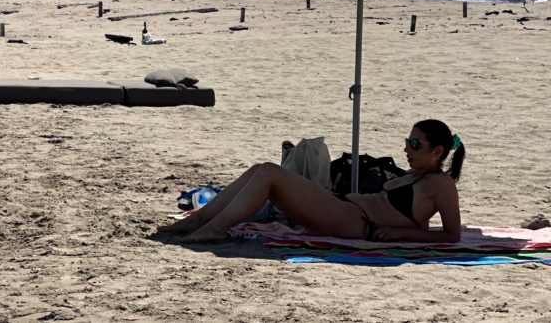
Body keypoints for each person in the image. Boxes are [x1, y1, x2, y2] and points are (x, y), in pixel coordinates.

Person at [158, 119, 466, 243]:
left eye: (414, 145)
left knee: (268, 173)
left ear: (437, 151)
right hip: (346, 210)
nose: (406, 149)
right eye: (407, 142)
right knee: (260, 169)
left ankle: (212, 228)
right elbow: (419, 221)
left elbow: (451, 236)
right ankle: (197, 221)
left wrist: (397, 234)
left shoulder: (441, 185)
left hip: (357, 224)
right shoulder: (417, 175)